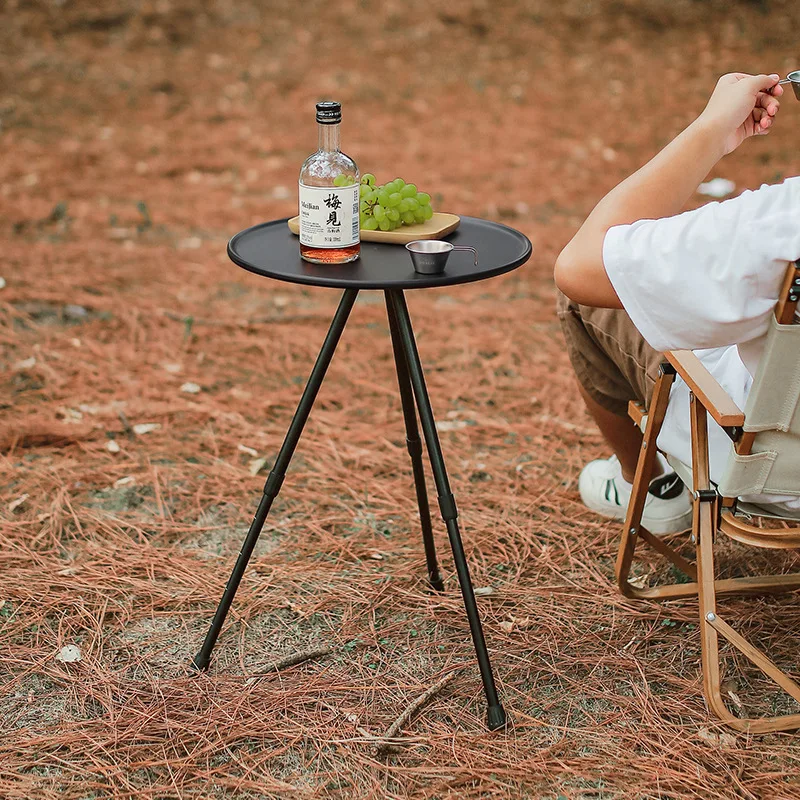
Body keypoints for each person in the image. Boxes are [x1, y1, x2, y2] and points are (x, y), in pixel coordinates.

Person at [554, 72, 800, 532]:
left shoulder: (782, 219)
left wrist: (710, 131)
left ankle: (647, 489)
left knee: (592, 300)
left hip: (774, 472)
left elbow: (581, 266)